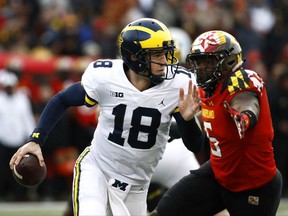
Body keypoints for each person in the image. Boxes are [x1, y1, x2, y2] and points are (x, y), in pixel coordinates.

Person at [10, 18, 204, 216]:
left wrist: (188, 121)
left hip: (137, 185)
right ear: (135, 57)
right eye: (157, 55)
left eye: (165, 53)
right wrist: (36, 140)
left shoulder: (178, 84)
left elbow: (195, 145)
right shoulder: (106, 77)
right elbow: (62, 100)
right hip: (98, 171)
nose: (164, 61)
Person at [150, 30, 283, 216]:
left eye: (208, 62)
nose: (201, 68)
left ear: (228, 61)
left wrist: (245, 117)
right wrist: (179, 124)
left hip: (253, 184)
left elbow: (246, 102)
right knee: (164, 212)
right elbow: (207, 126)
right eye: (199, 62)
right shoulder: (206, 90)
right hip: (218, 173)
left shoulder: (241, 79)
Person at [0, 70, 36, 201]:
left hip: (19, 140)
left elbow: (27, 119)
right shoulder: (0, 99)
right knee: (3, 170)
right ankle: (3, 194)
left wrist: (32, 138)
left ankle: (20, 195)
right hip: (3, 139)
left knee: (21, 169)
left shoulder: (22, 99)